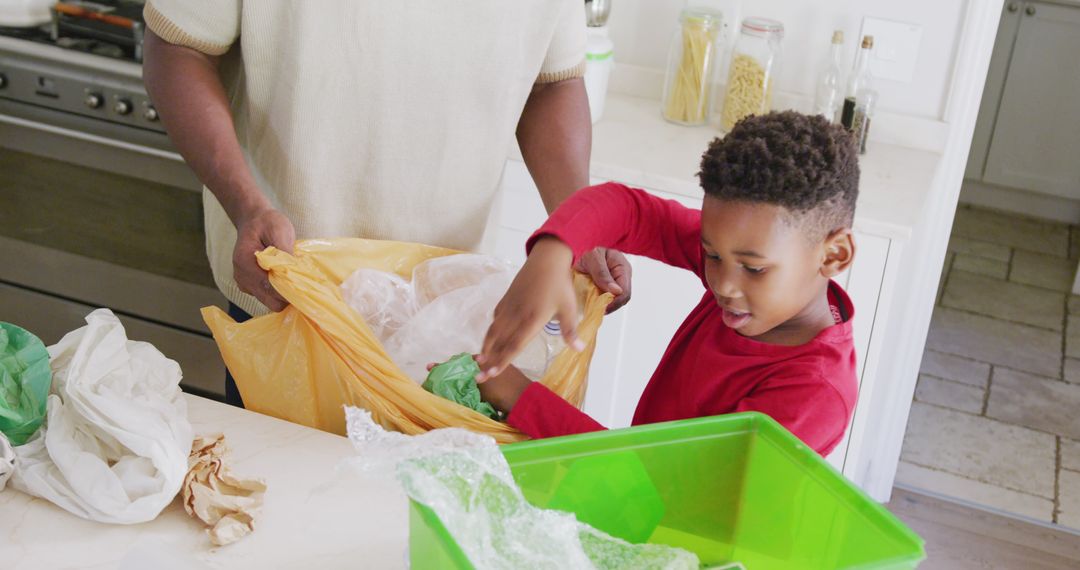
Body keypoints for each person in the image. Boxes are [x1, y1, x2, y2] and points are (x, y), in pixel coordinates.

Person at [140, 1, 631, 407]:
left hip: (446, 310)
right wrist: (246, 205)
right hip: (290, 294)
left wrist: (576, 226)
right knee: (279, 506)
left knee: (410, 518)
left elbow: (552, 82)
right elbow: (179, 46)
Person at [471, 111, 861, 456]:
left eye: (754, 269)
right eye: (711, 255)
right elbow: (623, 207)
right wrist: (552, 255)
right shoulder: (745, 261)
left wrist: (521, 398)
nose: (723, 284)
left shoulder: (815, 395)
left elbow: (660, 483)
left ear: (833, 256)